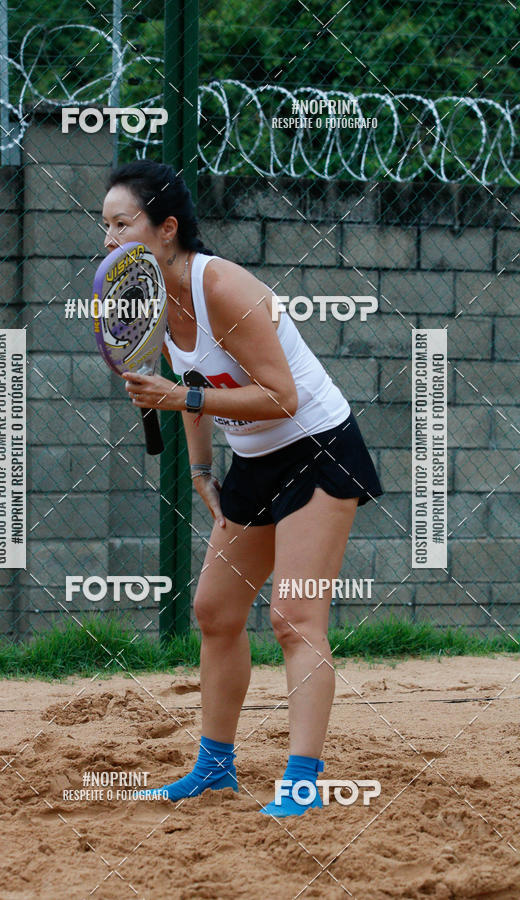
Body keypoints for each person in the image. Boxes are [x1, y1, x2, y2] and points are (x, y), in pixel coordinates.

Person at [101, 159, 383, 817]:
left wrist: (180, 395)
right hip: (254, 463)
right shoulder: (145, 296)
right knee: (215, 612)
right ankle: (215, 769)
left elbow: (281, 396)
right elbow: (190, 392)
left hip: (319, 451)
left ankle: (302, 782)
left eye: (124, 224)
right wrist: (202, 470)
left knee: (295, 617)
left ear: (167, 229)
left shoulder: (221, 286)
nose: (111, 241)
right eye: (105, 226)